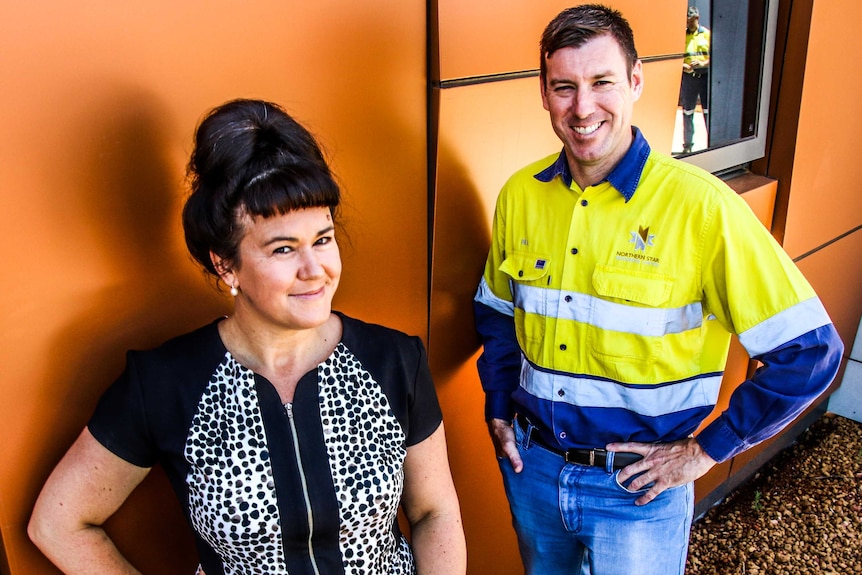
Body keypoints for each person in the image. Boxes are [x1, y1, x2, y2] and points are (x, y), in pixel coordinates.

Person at [473, 5, 843, 575]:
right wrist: (498, 404)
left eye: (602, 83)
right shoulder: (519, 196)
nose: (583, 107)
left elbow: (810, 351)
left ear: (636, 80)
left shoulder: (702, 208)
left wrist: (705, 451)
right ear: (543, 93)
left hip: (638, 490)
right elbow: (497, 313)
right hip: (534, 471)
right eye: (564, 87)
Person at [29, 98, 467, 575]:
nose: (315, 270)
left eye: (322, 239)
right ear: (225, 264)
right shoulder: (164, 383)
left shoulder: (395, 360)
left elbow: (433, 512)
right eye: (283, 249)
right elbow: (58, 524)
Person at [680, 5, 711, 153]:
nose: (688, 24)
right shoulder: (682, 36)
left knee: (707, 112)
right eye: (686, 21)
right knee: (687, 112)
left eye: (690, 21)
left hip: (704, 77)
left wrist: (703, 63)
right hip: (689, 78)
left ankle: (711, 144)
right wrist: (683, 66)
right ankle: (688, 146)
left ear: (697, 18)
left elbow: (716, 57)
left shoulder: (707, 34)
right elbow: (676, 57)